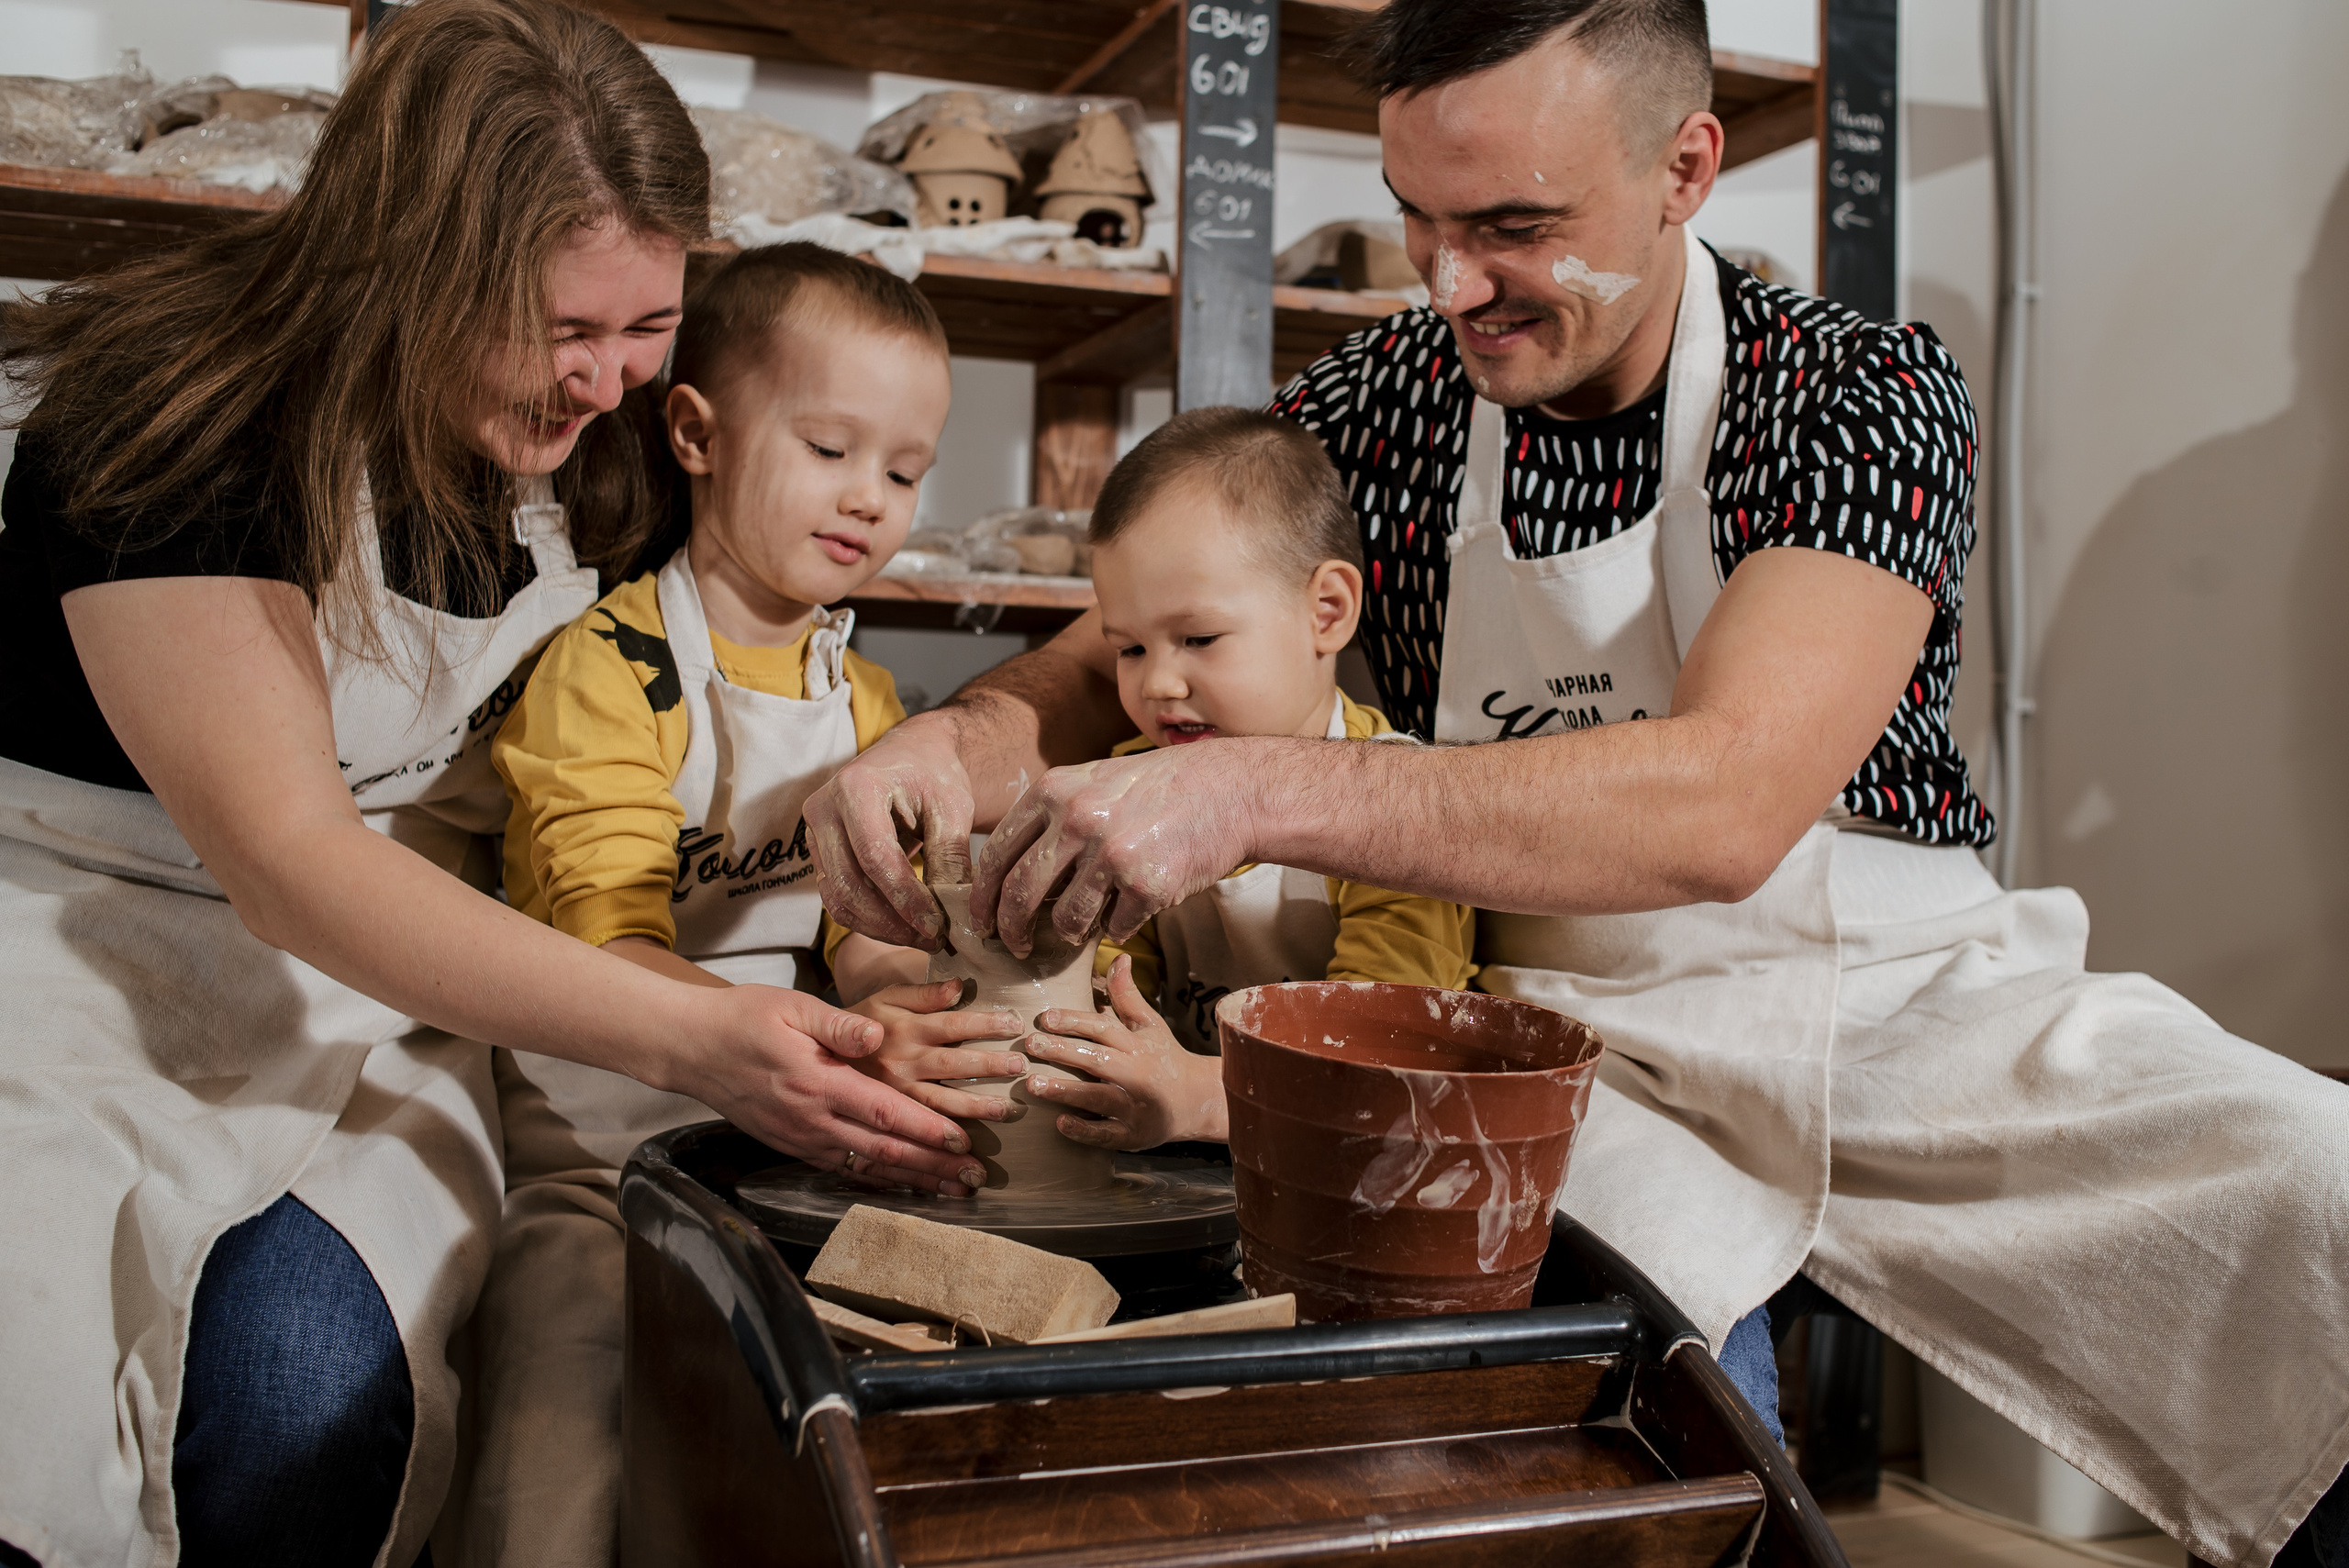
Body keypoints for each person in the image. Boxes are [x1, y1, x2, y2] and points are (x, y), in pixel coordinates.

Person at [805, 3, 2349, 1563]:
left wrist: (1252, 790)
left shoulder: (1856, 392)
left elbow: (1728, 805)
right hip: (1543, 1013)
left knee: (2315, 1191)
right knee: (1659, 1411)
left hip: (1891, 997)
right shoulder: (1378, 403)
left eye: (1513, 227)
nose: (1449, 281)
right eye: (1418, 218)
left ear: (1687, 167)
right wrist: (950, 741)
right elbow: (1099, 655)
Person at [0, 6, 976, 1564]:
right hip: (89, 941)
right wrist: (701, 1033)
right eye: (559, 326)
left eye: (647, 325)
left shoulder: (604, 443)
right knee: (68, 1410)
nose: (603, 380)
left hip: (397, 974)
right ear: (400, 258)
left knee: (307, 1394)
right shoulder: (174, 417)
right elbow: (288, 860)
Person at [470, 243, 1026, 1564]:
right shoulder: (608, 671)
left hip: (779, 1134)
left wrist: (908, 1015)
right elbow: (609, 949)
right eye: (831, 448)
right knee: (563, 1411)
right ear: (697, 433)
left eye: (905, 472)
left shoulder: (869, 705)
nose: (869, 498)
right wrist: (840, 1050)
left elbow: (865, 939)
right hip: (597, 1142)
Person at [1013, 407, 1474, 1151]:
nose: (1158, 683)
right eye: (1129, 648)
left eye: (1198, 638)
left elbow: (1383, 1054)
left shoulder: (1400, 809)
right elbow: (1111, 983)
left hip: (1367, 1155)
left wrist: (1200, 1097)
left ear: (1327, 611)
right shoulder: (1132, 785)